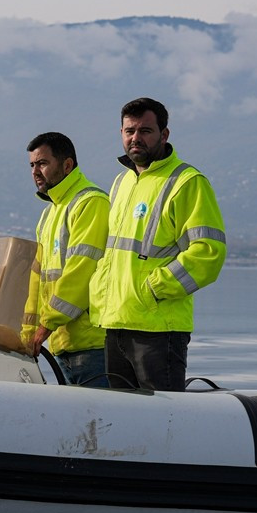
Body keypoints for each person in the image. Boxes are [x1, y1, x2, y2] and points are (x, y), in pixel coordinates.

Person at [89, 98, 226, 391]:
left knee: (165, 426)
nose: (135, 138)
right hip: (116, 324)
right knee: (121, 423)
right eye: (129, 131)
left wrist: (154, 289)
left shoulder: (187, 181)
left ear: (164, 135)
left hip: (158, 330)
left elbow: (208, 254)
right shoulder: (122, 183)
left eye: (145, 131)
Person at [21, 132, 110, 387]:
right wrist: (27, 336)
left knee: (102, 425)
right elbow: (36, 283)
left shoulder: (91, 203)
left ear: (67, 165)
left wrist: (45, 326)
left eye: (43, 163)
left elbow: (80, 273)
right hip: (62, 344)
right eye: (32, 165)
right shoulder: (49, 215)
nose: (36, 171)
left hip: (93, 344)